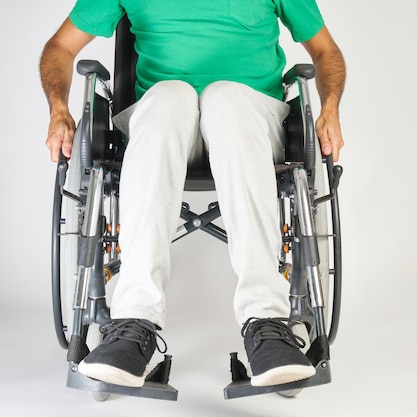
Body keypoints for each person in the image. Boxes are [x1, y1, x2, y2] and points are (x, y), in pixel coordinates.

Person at [40, 0, 345, 389]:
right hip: (164, 124)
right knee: (171, 95)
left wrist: (330, 108)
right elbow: (60, 48)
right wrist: (58, 109)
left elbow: (325, 51)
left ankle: (266, 322)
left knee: (225, 97)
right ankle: (134, 320)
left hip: (248, 121)